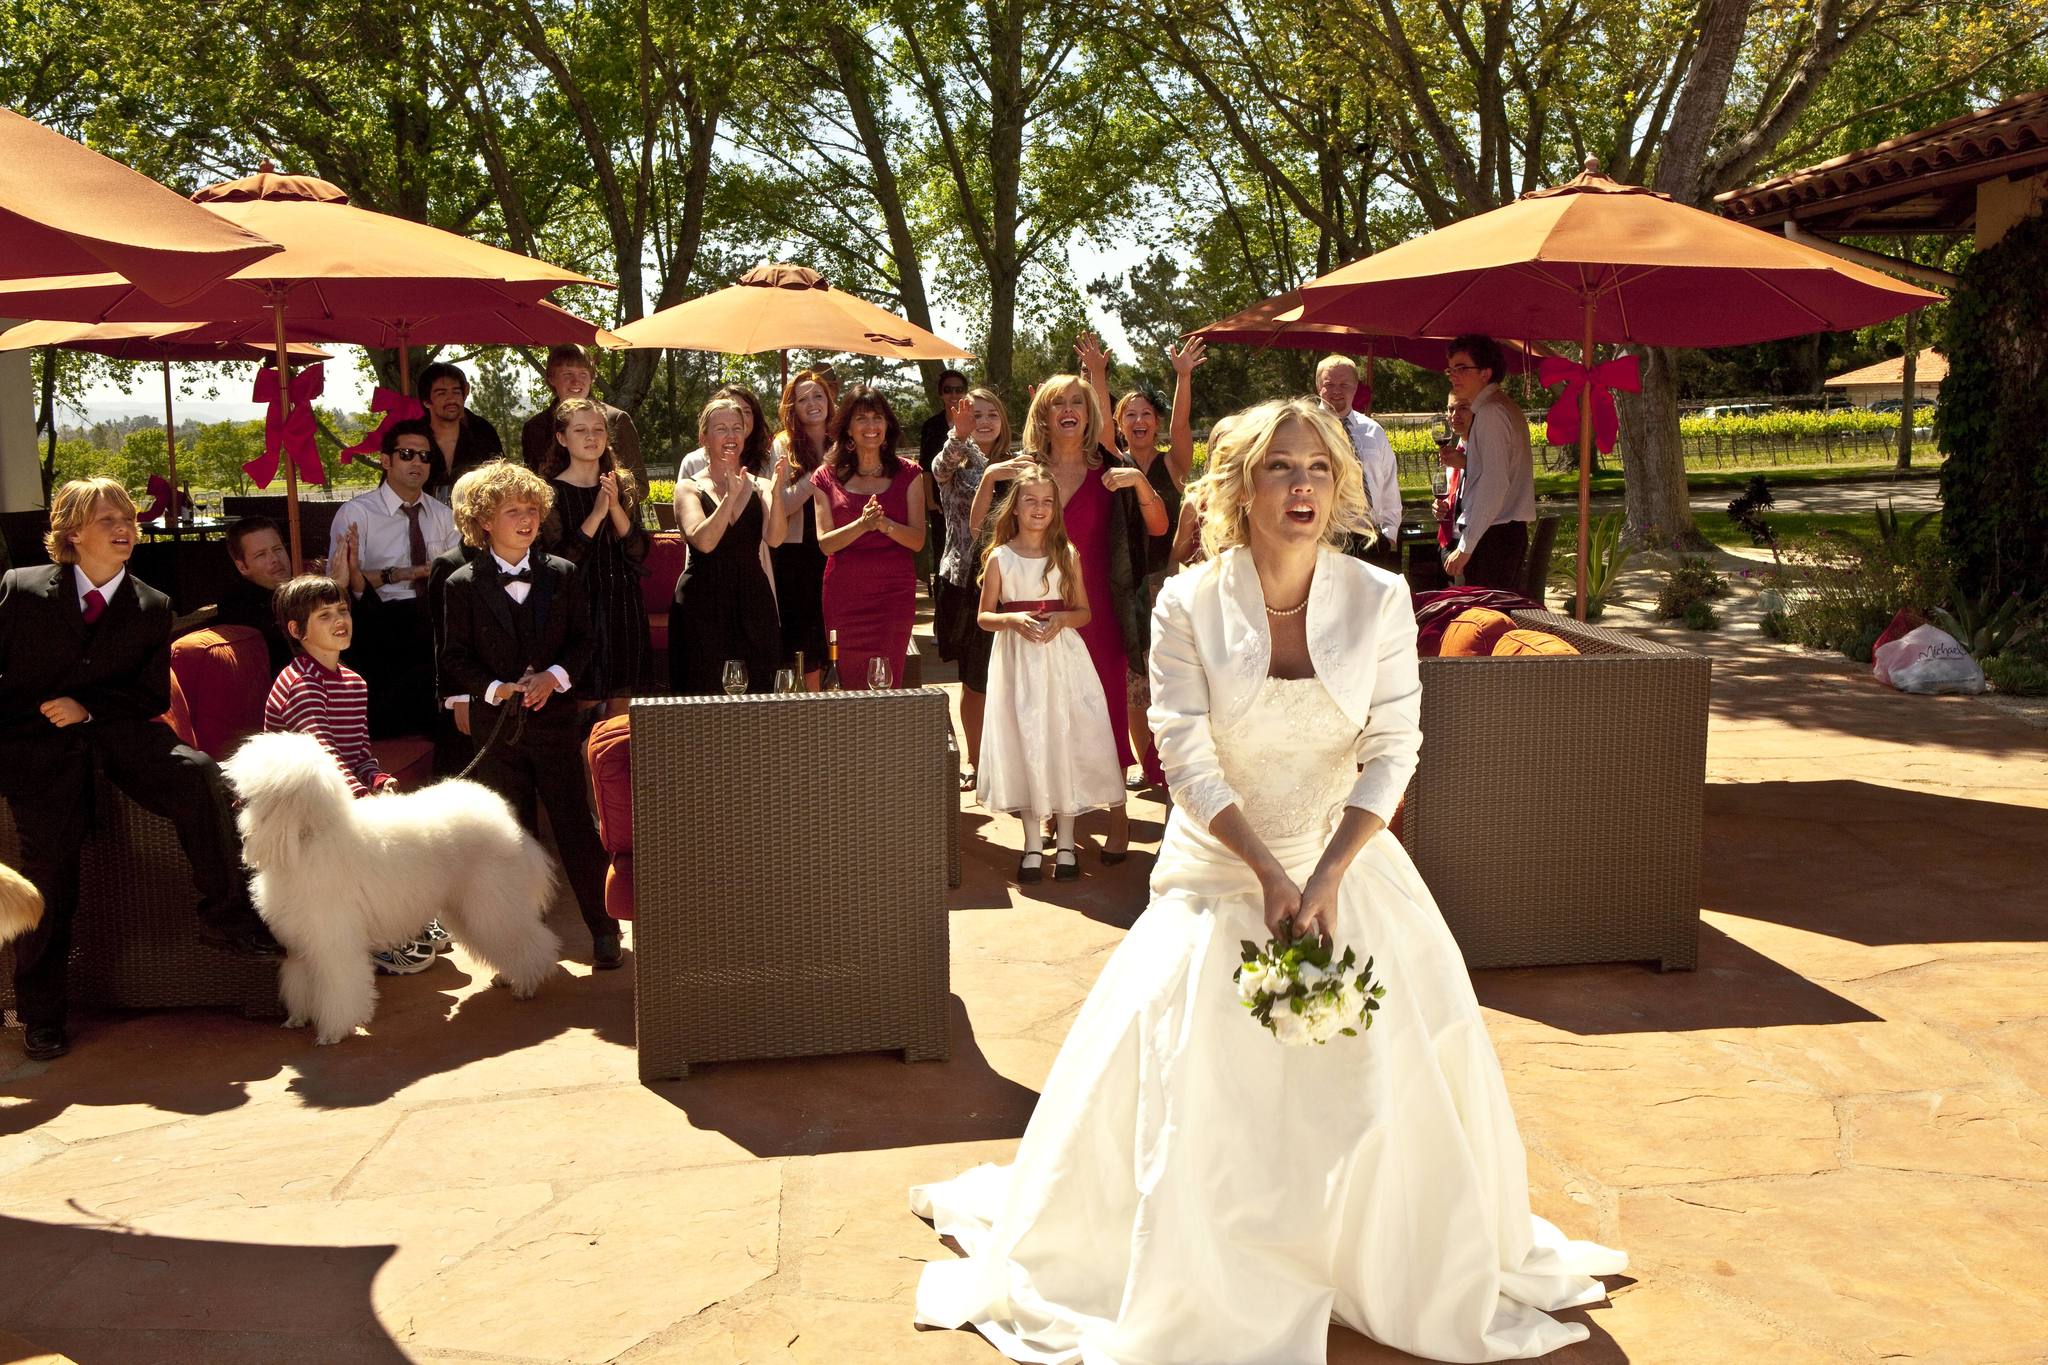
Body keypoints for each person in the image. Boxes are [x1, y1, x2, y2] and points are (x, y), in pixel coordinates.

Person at [910, 398, 1625, 1362]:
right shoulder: (1188, 603)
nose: (1301, 485)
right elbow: (1184, 754)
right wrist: (1267, 874)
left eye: (1319, 469)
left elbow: (1396, 746)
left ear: (1340, 488)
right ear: (1240, 487)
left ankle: (1370, 1251)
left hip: (1349, 865)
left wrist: (1324, 878)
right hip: (1220, 866)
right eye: (1280, 467)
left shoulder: (1376, 599)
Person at [1, 479, 283, 1061]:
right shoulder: (19, 590)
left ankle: (225, 915)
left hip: (118, 734)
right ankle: (41, 1015)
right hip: (38, 749)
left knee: (200, 773)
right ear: (72, 532)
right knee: (51, 874)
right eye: (107, 519)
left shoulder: (152, 605)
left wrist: (91, 708)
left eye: (127, 517)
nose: (124, 527)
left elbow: (150, 695)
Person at [972, 356, 1168, 861]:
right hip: (1036, 610)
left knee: (1100, 705)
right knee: (1044, 708)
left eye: (1077, 401)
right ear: (1044, 411)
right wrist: (990, 474)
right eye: (1058, 401)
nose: (1068, 408)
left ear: (1090, 413)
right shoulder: (1027, 469)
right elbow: (978, 530)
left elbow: (1159, 528)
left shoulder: (1111, 468)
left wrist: (1140, 484)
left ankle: (1118, 812)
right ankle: (1058, 814)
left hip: (1096, 605)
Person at [440, 460, 620, 970]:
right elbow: (452, 657)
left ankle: (603, 929)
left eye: (532, 510)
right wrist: (496, 689)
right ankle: (518, 946)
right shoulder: (458, 583)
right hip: (496, 732)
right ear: (483, 523)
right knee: (510, 837)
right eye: (511, 511)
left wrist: (554, 677)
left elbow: (586, 641)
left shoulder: (561, 575)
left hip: (555, 725)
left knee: (575, 827)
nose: (525, 519)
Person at [262, 571, 446, 975]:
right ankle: (379, 935)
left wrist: (379, 781)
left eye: (342, 610)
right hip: (300, 813)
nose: (340, 620)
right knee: (387, 836)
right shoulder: (299, 684)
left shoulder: (353, 682)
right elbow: (322, 757)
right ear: (297, 630)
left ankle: (401, 918)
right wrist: (367, 806)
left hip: (340, 799)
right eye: (324, 615)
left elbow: (358, 755)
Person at [975, 470, 1124, 884]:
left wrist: (1059, 618)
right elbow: (984, 616)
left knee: (1063, 738)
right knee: (1026, 740)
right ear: (1016, 507)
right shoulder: (1000, 557)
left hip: (1061, 660)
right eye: (1030, 501)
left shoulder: (1066, 553)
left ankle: (1066, 843)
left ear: (1055, 509)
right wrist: (1011, 618)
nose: (1038, 509)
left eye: (1046, 502)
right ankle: (1031, 846)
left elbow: (1084, 612)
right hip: (1017, 661)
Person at [1082, 334, 1207, 788]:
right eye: (1130, 414)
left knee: (1169, 668)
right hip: (1118, 577)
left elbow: (1183, 422)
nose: (1139, 420)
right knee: (1134, 673)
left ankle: (1174, 758)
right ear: (1118, 421)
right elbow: (1096, 420)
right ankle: (1144, 765)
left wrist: (1183, 376)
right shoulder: (1109, 459)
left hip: (1165, 578)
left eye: (1146, 414)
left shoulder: (1173, 464)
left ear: (1155, 423)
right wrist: (1098, 374)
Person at [330, 417, 460, 738]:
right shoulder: (357, 513)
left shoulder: (444, 516)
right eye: (407, 454)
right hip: (380, 619)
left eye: (425, 456)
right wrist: (401, 573)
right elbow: (341, 583)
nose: (417, 462)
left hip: (435, 616)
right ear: (385, 461)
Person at [539, 397, 654, 716]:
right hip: (579, 608)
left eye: (598, 430)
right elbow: (559, 563)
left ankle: (619, 768)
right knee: (583, 711)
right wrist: (596, 514)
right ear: (562, 438)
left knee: (622, 712)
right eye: (581, 430)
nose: (591, 437)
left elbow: (639, 551)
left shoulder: (623, 483)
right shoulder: (548, 492)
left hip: (624, 604)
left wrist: (615, 507)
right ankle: (584, 769)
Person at [670, 397, 790, 696]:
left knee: (759, 689)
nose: (731, 436)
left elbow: (775, 538)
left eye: (737, 428)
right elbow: (704, 541)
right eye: (721, 428)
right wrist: (727, 500)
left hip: (752, 599)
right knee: (703, 690)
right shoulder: (689, 487)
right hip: (703, 602)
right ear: (704, 437)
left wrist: (776, 496)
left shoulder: (760, 485)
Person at [814, 385, 924, 688]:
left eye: (878, 418)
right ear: (848, 427)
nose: (871, 426)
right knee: (847, 681)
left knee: (889, 678)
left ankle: (889, 737)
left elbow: (917, 541)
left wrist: (884, 524)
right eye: (861, 419)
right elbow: (825, 543)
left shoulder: (910, 474)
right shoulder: (826, 477)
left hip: (893, 596)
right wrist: (862, 525)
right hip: (844, 597)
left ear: (888, 426)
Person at [931, 388, 1006, 788]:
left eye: (992, 412)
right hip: (966, 582)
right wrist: (958, 436)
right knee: (975, 679)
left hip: (1015, 583)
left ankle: (1008, 763)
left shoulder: (1018, 460)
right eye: (974, 414)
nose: (984, 420)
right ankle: (976, 763)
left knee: (1010, 679)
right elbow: (940, 468)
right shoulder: (956, 459)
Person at [1445, 334, 1537, 591]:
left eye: (1461, 368)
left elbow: (1493, 484)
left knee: (1487, 622)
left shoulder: (1490, 413)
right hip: (1501, 534)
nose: (1453, 375)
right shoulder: (1497, 407)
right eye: (1451, 369)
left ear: (1486, 372)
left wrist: (1465, 547)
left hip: (1495, 536)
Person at [768, 369, 834, 687]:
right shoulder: (783, 446)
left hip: (836, 547)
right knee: (804, 639)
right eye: (802, 399)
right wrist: (822, 470)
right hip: (796, 555)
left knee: (832, 632)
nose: (812, 403)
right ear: (792, 408)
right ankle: (810, 707)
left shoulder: (844, 440)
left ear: (829, 400)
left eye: (818, 395)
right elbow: (785, 504)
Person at [1315, 354, 1402, 564]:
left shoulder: (1373, 431)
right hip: (1326, 540)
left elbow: (1389, 483)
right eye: (1329, 384)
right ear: (1318, 387)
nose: (1337, 390)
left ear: (1355, 387)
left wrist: (1389, 534)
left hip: (1372, 539)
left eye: (1344, 384)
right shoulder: (1308, 430)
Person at [519, 344, 645, 486]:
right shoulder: (535, 428)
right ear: (551, 378)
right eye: (567, 374)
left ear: (592, 378)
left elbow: (640, 485)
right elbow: (532, 488)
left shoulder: (616, 419)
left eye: (583, 374)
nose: (576, 381)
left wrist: (599, 499)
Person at [214, 514, 294, 672]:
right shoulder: (239, 605)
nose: (274, 559)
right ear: (242, 567)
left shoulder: (292, 588)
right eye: (261, 555)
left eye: (278, 549)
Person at [416, 362, 506, 500]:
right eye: (442, 393)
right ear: (426, 401)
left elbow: (501, 480)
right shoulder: (409, 439)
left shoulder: (483, 432)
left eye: (456, 392)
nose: (451, 398)